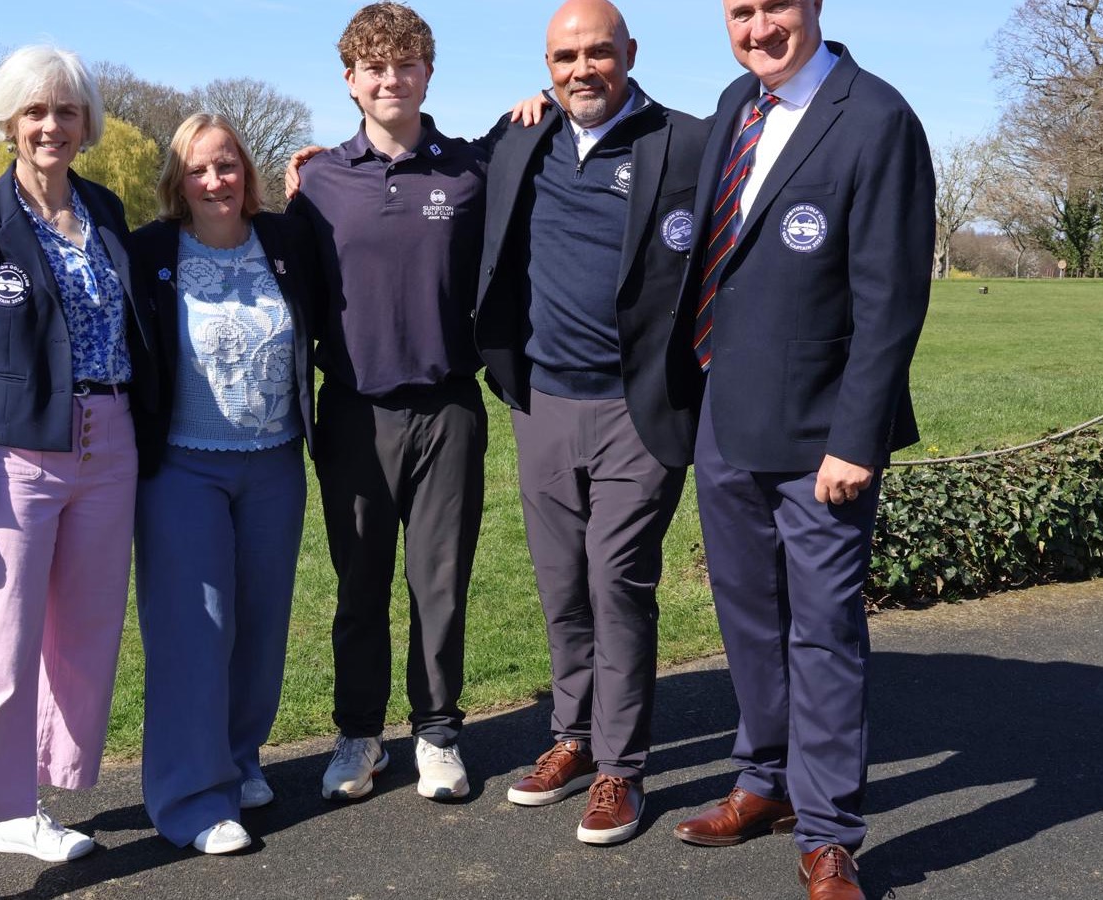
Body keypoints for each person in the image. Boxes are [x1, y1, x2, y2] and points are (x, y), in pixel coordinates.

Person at [671, 0, 934, 896]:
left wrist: (857, 438)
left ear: (814, 7)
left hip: (824, 439)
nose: (756, 27)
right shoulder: (734, 106)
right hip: (727, 421)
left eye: (772, 6)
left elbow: (891, 298)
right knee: (748, 622)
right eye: (738, 11)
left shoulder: (877, 117)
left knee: (822, 635)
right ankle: (764, 781)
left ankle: (827, 835)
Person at [0, 45, 162, 900]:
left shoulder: (106, 209)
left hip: (112, 447)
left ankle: (21, 807)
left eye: (64, 111)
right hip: (14, 462)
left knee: (81, 646)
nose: (50, 125)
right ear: (8, 124)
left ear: (85, 123)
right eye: (34, 112)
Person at [474, 0, 711, 846]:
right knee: (561, 585)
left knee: (617, 581)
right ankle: (569, 739)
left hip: (637, 409)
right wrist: (318, 165)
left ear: (629, 54)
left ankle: (621, 769)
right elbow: (423, 165)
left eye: (598, 53)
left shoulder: (687, 140)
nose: (582, 70)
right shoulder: (519, 139)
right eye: (565, 56)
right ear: (546, 65)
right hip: (540, 401)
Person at [286, 2, 489, 804]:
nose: (390, 79)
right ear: (350, 82)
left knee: (439, 582)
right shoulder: (320, 182)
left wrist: (537, 107)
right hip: (354, 413)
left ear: (427, 74)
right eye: (374, 67)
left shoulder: (471, 170)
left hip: (447, 408)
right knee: (360, 582)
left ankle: (437, 733)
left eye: (405, 65)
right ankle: (359, 734)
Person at [128, 113, 320, 855]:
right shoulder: (149, 252)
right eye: (199, 169)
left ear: (248, 172)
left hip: (275, 463)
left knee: (261, 627)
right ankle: (190, 800)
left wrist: (321, 161)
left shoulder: (283, 241)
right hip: (183, 467)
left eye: (228, 165)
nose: (215, 181)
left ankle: (239, 761)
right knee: (193, 631)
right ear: (178, 181)